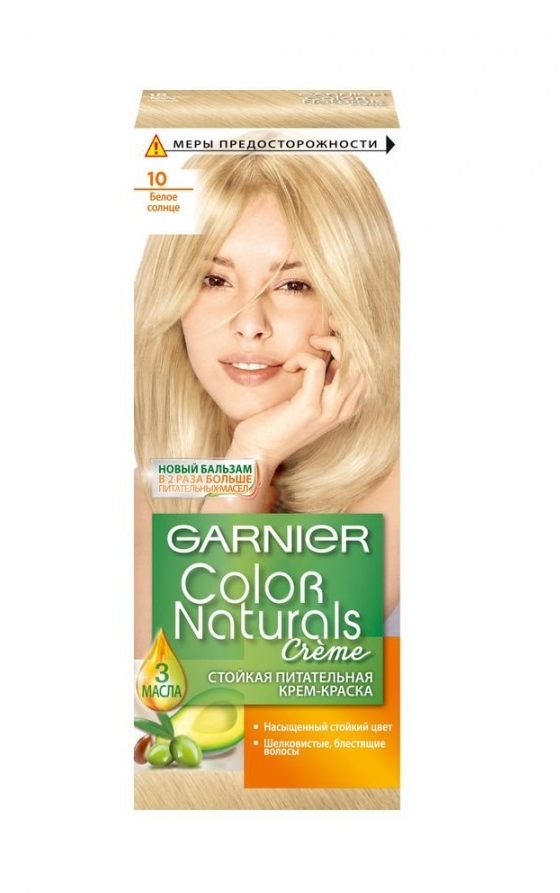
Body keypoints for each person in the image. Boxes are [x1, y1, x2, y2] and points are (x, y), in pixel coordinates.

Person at [134, 149, 400, 656]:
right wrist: (248, 463)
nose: (249, 324)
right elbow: (168, 695)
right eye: (215, 280)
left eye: (294, 285)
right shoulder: (162, 484)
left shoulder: (403, 480)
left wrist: (254, 456)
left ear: (352, 304)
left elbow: (242, 681)